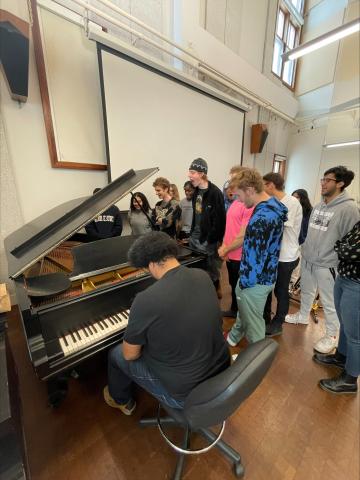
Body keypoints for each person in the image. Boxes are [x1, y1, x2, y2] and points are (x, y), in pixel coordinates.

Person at [103, 232, 230, 414]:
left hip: (185, 395)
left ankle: (120, 399)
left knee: (116, 354)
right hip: (222, 372)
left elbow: (130, 355)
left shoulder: (145, 300)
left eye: (146, 269)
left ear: (152, 264)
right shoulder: (202, 276)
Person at [285, 166, 360, 354]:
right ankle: (302, 316)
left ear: (340, 183)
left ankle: (332, 336)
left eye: (328, 180)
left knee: (330, 303)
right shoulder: (319, 206)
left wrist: (333, 256)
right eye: (322, 179)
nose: (323, 183)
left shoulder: (349, 208)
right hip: (309, 258)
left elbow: (351, 240)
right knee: (307, 292)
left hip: (328, 264)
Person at [225, 168, 287, 347]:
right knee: (244, 312)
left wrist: (244, 285)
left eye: (239, 195)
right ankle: (233, 338)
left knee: (254, 327)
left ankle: (256, 360)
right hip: (265, 275)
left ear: (250, 190)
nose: (239, 200)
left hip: (255, 281)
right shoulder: (271, 206)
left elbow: (255, 257)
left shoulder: (262, 217)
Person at [313, 221, 360, 394]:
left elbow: (347, 249)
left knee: (355, 334)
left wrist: (344, 248)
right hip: (344, 277)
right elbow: (341, 244)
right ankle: (341, 356)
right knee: (345, 324)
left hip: (357, 284)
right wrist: (344, 248)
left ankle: (350, 379)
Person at [262, 173, 303, 337]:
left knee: (280, 290)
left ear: (271, 185)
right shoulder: (271, 201)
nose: (262, 189)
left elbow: (279, 225)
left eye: (264, 185)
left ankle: (279, 321)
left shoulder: (292, 203)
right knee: (266, 288)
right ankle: (265, 317)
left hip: (286, 256)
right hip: (271, 254)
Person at [218, 167, 254, 318]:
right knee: (233, 283)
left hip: (240, 255)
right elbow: (231, 228)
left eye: (235, 179)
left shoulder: (248, 204)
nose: (231, 183)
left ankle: (241, 313)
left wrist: (227, 249)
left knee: (241, 287)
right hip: (231, 252)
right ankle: (235, 309)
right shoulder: (235, 201)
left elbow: (243, 234)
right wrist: (225, 247)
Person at [188, 158, 226, 296]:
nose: (189, 175)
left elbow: (220, 222)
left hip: (207, 240)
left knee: (210, 269)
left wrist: (210, 240)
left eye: (192, 172)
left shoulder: (215, 193)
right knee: (197, 268)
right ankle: (200, 292)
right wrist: (192, 233)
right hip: (194, 237)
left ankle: (214, 291)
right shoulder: (196, 192)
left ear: (202, 174)